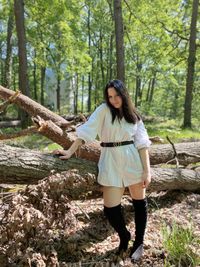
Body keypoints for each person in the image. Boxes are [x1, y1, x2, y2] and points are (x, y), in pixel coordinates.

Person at [53, 79, 151, 262]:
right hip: (110, 159)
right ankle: (124, 235)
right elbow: (87, 131)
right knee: (110, 208)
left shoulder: (134, 115)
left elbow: (142, 144)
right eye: (110, 96)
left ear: (124, 94)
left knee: (139, 203)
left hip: (132, 160)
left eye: (116, 95)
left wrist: (147, 171)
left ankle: (139, 242)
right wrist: (70, 151)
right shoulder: (103, 110)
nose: (113, 100)